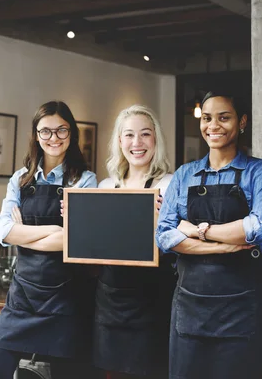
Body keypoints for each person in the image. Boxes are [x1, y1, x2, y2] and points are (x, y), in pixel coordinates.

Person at [156, 90, 262, 379]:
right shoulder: (185, 174)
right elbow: (164, 236)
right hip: (190, 305)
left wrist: (197, 231)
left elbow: (257, 228)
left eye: (224, 118)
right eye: (207, 118)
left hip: (242, 307)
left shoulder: (258, 172)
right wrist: (224, 245)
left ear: (242, 121)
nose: (213, 126)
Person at [0, 101, 97, 379]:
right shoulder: (20, 179)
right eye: (45, 131)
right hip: (22, 295)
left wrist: (24, 237)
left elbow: (79, 239)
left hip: (66, 298)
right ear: (36, 135)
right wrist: (54, 232)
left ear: (71, 134)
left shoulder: (84, 180)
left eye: (61, 130)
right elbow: (3, 230)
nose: (54, 138)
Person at [93, 105, 176, 378]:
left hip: (153, 300)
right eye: (129, 135)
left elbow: (177, 243)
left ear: (156, 140)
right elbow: (95, 245)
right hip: (110, 301)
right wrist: (76, 219)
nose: (137, 143)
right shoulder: (104, 187)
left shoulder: (170, 184)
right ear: (119, 141)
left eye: (145, 134)